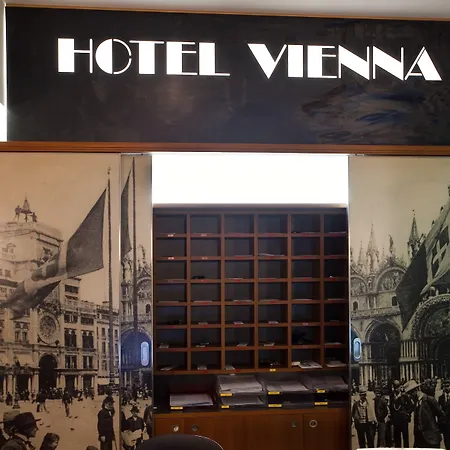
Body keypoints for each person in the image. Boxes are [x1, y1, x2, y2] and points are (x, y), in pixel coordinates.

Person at [405, 379, 445, 448]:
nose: (410, 396)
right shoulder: (416, 402)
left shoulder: (430, 400)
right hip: (419, 440)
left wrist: (437, 430)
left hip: (431, 439)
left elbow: (441, 415)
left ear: (416, 390)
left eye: (410, 393)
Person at [391, 380, 412, 448]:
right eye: (395, 387)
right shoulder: (392, 396)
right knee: (397, 438)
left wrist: (407, 413)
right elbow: (391, 407)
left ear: (400, 387)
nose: (396, 389)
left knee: (405, 438)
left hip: (403, 420)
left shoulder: (405, 396)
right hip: (396, 420)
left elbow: (411, 406)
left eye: (397, 387)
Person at [438, 379, 450, 449]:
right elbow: (439, 412)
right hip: (445, 425)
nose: (447, 388)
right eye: (445, 386)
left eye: (448, 386)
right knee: (446, 442)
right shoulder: (441, 398)